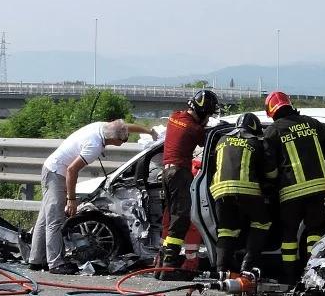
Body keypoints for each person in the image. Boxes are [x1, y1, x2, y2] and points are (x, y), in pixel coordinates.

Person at [29, 119, 158, 274]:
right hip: (57, 173)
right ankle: (56, 264)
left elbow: (124, 127)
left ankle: (36, 260)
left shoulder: (104, 127)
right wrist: (71, 199)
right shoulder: (94, 146)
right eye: (122, 140)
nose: (123, 143)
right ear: (114, 139)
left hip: (53, 169)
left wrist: (149, 132)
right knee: (55, 221)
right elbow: (72, 170)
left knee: (45, 219)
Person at [262, 91, 325, 282]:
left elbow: (269, 167)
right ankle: (312, 273)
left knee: (288, 236)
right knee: (315, 231)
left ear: (271, 111)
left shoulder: (273, 131)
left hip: (291, 191)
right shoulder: (310, 123)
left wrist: (270, 182)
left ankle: (290, 276)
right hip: (316, 189)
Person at [157, 89, 218, 278]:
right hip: (180, 173)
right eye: (207, 115)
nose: (207, 119)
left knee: (172, 216)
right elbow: (205, 141)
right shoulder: (194, 129)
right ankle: (169, 266)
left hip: (166, 172)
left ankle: (162, 265)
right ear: (202, 112)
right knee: (181, 218)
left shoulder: (174, 117)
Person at [210, 113, 276, 278]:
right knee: (262, 223)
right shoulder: (255, 142)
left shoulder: (221, 140)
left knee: (226, 230)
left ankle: (221, 270)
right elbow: (271, 173)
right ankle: (248, 265)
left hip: (220, 190)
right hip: (247, 189)